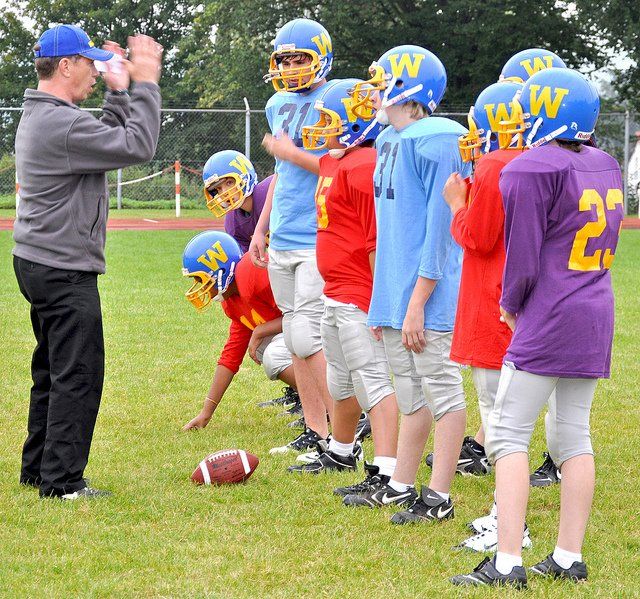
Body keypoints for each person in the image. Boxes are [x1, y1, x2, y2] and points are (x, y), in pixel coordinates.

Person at [452, 68, 623, 587]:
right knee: (574, 434)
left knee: (506, 433)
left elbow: (522, 258)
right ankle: (569, 556)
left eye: (531, 107)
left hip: (550, 313)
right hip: (595, 308)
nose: (522, 116)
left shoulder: (529, 169)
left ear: (552, 110)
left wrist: (510, 305)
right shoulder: (606, 162)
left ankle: (506, 562)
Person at [13, 25, 162, 500]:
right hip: (62, 269)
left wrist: (119, 94)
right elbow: (137, 145)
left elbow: (107, 142)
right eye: (90, 64)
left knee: (52, 370)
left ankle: (38, 468)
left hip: (38, 261)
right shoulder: (64, 123)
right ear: (65, 66)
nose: (96, 73)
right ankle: (61, 482)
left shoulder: (49, 116)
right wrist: (147, 82)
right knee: (78, 374)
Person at [343, 46, 470, 524]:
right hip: (396, 293)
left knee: (443, 392)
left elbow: (441, 232)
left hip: (427, 296)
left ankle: (439, 497)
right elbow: (392, 231)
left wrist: (418, 299)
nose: (375, 90)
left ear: (410, 88)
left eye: (384, 81)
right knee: (412, 392)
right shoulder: (389, 140)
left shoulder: (440, 139)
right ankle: (401, 484)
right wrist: (384, 303)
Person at [277, 79, 399, 479]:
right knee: (342, 381)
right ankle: (342, 449)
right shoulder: (338, 160)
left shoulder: (365, 167)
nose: (321, 127)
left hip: (358, 293)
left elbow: (377, 243)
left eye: (328, 119)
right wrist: (290, 153)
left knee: (373, 381)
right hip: (335, 291)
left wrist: (381, 303)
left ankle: (386, 471)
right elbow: (322, 164)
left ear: (353, 123)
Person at [250, 18, 336, 457]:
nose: (290, 67)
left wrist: (289, 152)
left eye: (300, 58)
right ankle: (316, 428)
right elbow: (282, 175)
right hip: (283, 232)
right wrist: (261, 227)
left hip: (318, 233)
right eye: (284, 59)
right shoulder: (276, 103)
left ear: (322, 57)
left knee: (309, 336)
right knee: (296, 337)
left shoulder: (337, 100)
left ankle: (346, 429)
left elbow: (335, 168)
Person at [181, 231, 297, 431]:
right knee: (263, 347)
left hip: (324, 330)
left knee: (273, 355)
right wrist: (206, 413)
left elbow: (305, 313)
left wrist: (260, 330)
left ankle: (328, 401)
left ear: (220, 270)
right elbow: (230, 358)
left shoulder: (253, 273)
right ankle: (318, 402)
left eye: (201, 280)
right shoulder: (233, 300)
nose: (200, 288)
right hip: (305, 332)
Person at [202, 149, 275, 253]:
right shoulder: (233, 223)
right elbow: (247, 261)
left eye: (229, 183)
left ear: (245, 177)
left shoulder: (270, 191)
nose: (224, 192)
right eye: (218, 189)